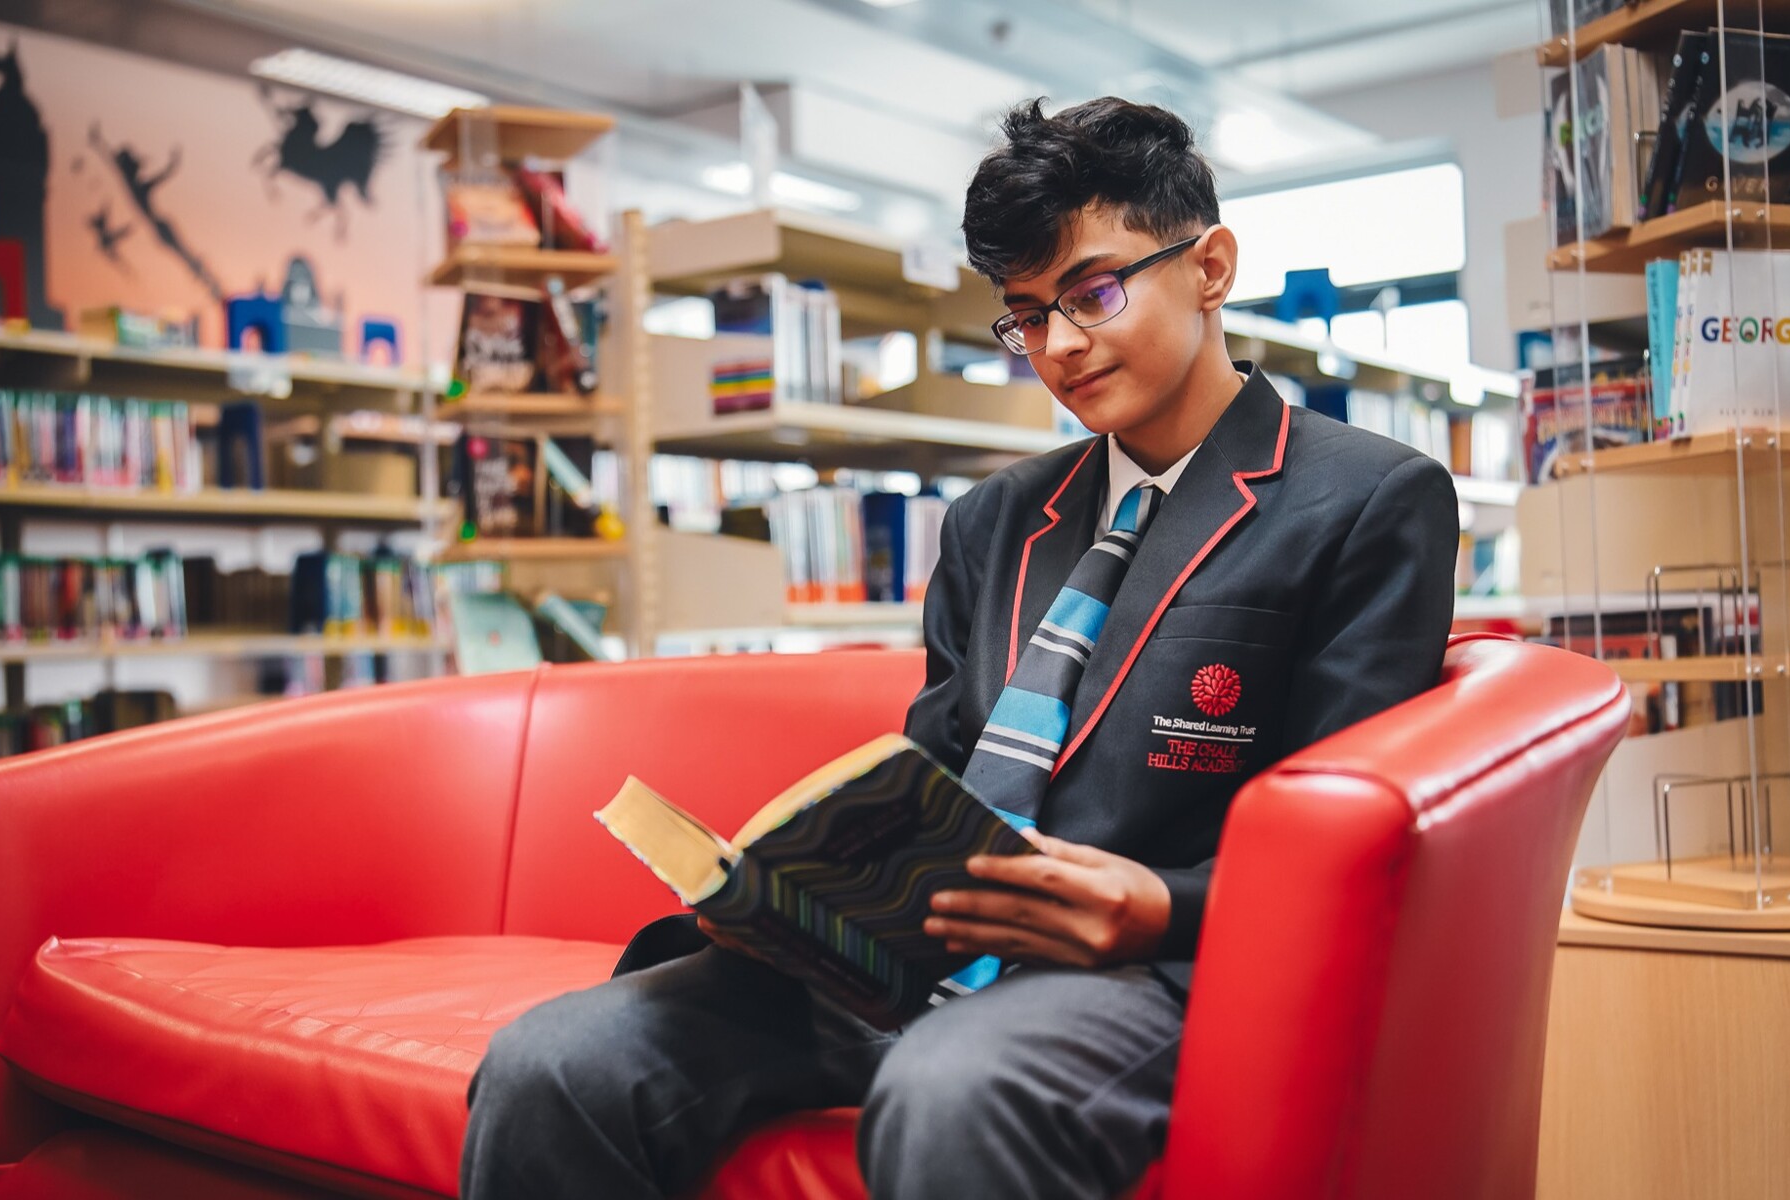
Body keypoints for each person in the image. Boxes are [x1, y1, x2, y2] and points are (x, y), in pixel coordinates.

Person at [460, 95, 1458, 1200]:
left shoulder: (1365, 500)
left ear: (1210, 266)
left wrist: (1158, 906)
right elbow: (931, 771)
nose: (1060, 348)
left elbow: (1354, 849)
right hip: (909, 959)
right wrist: (791, 898)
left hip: (1149, 968)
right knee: (550, 1062)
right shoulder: (993, 519)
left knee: (948, 1087)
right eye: (1026, 316)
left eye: (1092, 292)